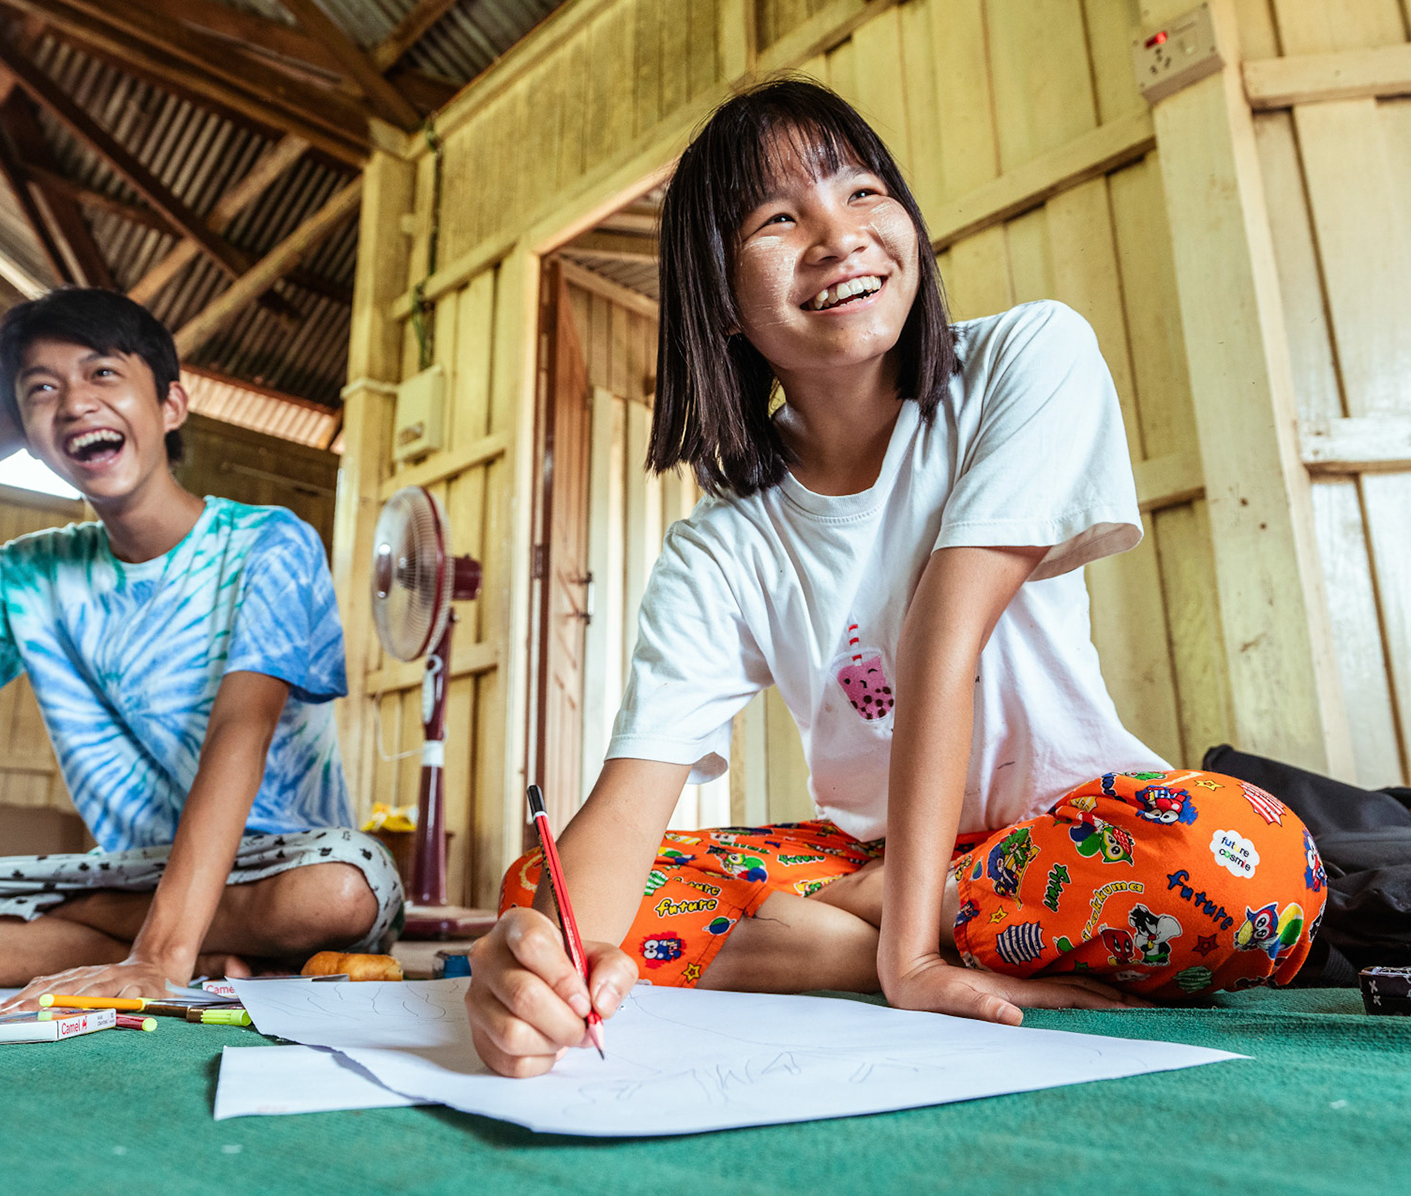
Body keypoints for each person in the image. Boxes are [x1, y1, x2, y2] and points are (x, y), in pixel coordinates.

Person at [466, 80, 1325, 1077]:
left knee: (1249, 858)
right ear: (720, 297)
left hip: (1075, 831)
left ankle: (852, 937)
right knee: (545, 886)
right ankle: (869, 929)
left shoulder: (1027, 358)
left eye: (865, 192)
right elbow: (634, 787)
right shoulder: (721, 544)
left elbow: (939, 635)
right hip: (873, 861)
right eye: (780, 217)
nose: (839, 235)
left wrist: (909, 950)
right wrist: (538, 964)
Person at [0, 288, 400, 1007]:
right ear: (24, 430)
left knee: (341, 891)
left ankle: (155, 941)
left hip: (278, 872)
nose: (73, 402)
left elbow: (239, 731)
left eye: (101, 374)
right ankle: (211, 949)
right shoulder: (27, 573)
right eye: (41, 389)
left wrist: (158, 958)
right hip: (118, 877)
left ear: (171, 406)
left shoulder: (268, 542)